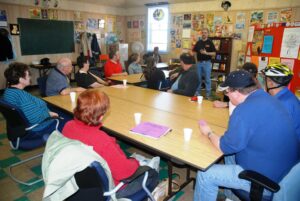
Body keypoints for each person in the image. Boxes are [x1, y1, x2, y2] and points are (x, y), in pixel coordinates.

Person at [194, 70, 300, 201]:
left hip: (266, 181)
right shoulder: (268, 98)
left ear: (237, 93)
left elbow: (224, 147)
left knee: (205, 174)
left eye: (227, 92)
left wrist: (209, 132)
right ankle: (230, 197)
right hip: (286, 170)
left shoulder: (243, 110)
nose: (226, 95)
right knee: (231, 156)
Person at [62, 90, 159, 198]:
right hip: (112, 188)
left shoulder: (68, 126)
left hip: (78, 183)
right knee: (153, 174)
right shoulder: (102, 140)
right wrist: (135, 162)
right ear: (100, 116)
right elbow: (125, 173)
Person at [3, 62, 62, 132]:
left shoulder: (8, 91)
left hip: (22, 127)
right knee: (68, 121)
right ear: (21, 80)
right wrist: (49, 114)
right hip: (38, 127)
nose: (30, 77)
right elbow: (34, 118)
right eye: (28, 75)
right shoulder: (21, 96)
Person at [261, 63, 300, 141]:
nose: (263, 83)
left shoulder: (280, 104)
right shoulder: (287, 96)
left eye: (264, 79)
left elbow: (271, 134)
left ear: (270, 82)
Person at [193, 28, 216, 99]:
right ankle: (197, 93)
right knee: (198, 79)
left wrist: (206, 53)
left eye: (205, 33)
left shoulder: (210, 42)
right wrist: (196, 61)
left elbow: (214, 53)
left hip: (207, 63)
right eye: (203, 32)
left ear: (207, 34)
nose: (204, 34)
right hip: (199, 63)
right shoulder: (198, 42)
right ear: (201, 34)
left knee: (207, 79)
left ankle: (208, 95)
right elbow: (194, 52)